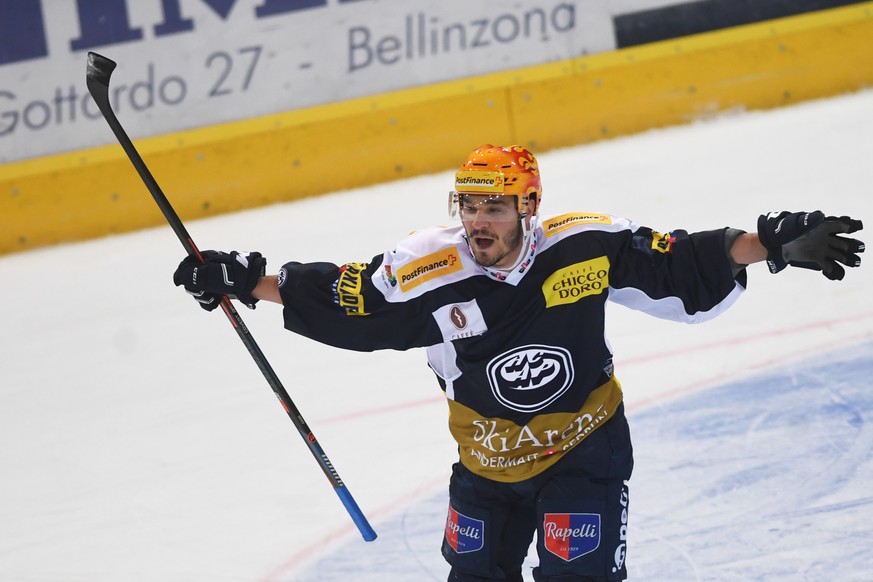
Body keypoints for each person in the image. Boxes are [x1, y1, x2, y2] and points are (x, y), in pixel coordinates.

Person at [173, 144, 864, 581]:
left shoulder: (583, 245)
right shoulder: (426, 266)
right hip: (486, 468)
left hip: (582, 451)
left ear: (529, 206)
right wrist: (243, 282)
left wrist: (767, 244)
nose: (479, 220)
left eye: (496, 206)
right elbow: (352, 299)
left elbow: (677, 262)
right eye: (468, 205)